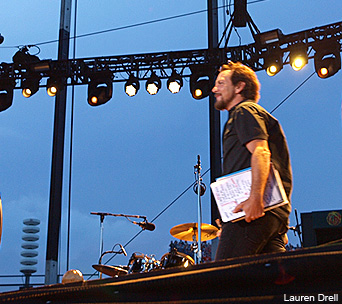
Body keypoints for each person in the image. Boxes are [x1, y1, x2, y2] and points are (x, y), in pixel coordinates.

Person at [211, 61, 292, 260]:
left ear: (239, 87)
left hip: (255, 213)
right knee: (275, 281)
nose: (214, 89)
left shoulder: (244, 111)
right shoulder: (247, 114)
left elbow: (261, 153)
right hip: (268, 213)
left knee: (223, 280)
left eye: (221, 83)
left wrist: (255, 199)